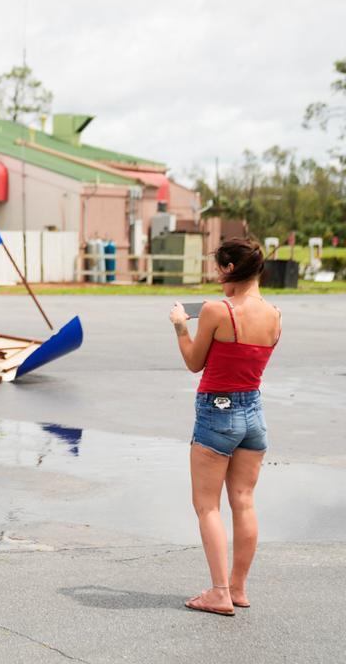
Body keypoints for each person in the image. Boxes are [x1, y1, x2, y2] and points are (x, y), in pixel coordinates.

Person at [168, 237, 281, 616]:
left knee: (206, 506)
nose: (217, 278)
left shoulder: (218, 311)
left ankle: (218, 593)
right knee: (244, 502)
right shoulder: (275, 315)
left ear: (231, 269)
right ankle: (238, 588)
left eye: (219, 269)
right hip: (253, 413)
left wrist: (181, 327)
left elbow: (194, 362)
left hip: (218, 411)